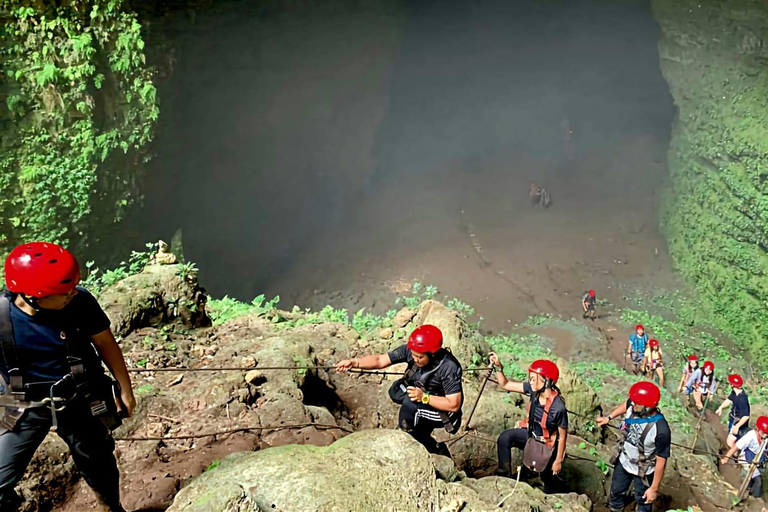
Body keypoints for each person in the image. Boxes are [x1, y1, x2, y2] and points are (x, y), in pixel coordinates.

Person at [0, 242, 135, 512]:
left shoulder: (79, 302)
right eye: (63, 292)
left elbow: (106, 344)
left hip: (80, 394)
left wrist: (124, 388)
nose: (72, 294)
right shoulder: (2, 317)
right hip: (18, 400)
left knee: (97, 459)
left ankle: (110, 507)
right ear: (31, 295)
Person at [336, 324, 462, 456]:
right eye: (414, 355)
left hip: (443, 412)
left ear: (432, 354)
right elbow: (380, 360)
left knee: (409, 413)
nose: (415, 359)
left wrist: (424, 397)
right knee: (397, 390)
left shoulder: (449, 368)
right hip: (423, 395)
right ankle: (419, 427)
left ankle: (432, 447)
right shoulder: (411, 350)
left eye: (420, 357)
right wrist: (354, 362)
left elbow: (453, 404)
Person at [489, 353, 567, 494]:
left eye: (533, 379)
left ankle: (550, 497)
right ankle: (504, 477)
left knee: (547, 478)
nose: (530, 382)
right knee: (505, 438)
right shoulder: (534, 390)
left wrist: (558, 460)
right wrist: (499, 367)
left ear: (546, 381)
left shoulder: (558, 408)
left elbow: (562, 437)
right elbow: (506, 384)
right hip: (530, 436)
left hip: (547, 444)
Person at [597, 382, 670, 512]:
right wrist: (609, 417)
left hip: (644, 469)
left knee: (644, 500)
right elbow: (627, 404)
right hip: (624, 460)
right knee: (616, 491)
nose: (633, 405)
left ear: (648, 407)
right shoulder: (635, 405)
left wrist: (653, 488)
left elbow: (661, 461)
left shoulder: (661, 430)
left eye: (637, 404)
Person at [720, 415, 768, 499]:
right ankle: (756, 499)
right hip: (746, 460)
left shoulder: (765, 439)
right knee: (758, 481)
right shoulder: (750, 436)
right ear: (758, 429)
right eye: (763, 433)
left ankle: (750, 493)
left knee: (755, 480)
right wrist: (726, 458)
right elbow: (736, 447)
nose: (765, 435)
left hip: (757, 460)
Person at [716, 374, 750, 447]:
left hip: (739, 422)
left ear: (732, 385)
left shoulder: (742, 399)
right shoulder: (735, 393)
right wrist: (721, 407)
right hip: (733, 419)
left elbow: (746, 416)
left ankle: (735, 456)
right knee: (732, 438)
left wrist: (737, 426)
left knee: (730, 441)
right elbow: (729, 400)